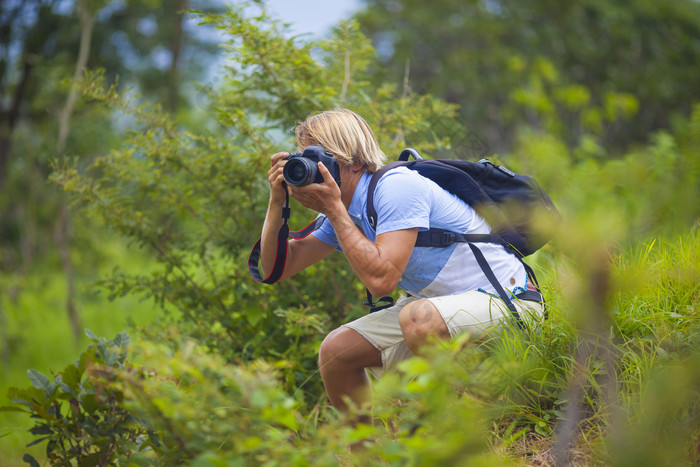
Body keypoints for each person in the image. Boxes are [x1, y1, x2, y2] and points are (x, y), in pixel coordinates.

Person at [260, 108, 544, 414]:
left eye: (318, 158)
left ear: (353, 160)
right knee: (335, 351)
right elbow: (277, 266)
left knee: (418, 317)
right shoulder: (341, 209)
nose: (310, 169)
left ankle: (465, 420)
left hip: (508, 302)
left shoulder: (396, 187)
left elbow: (382, 282)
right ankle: (364, 457)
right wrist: (277, 202)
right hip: (437, 311)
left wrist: (333, 210)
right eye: (303, 159)